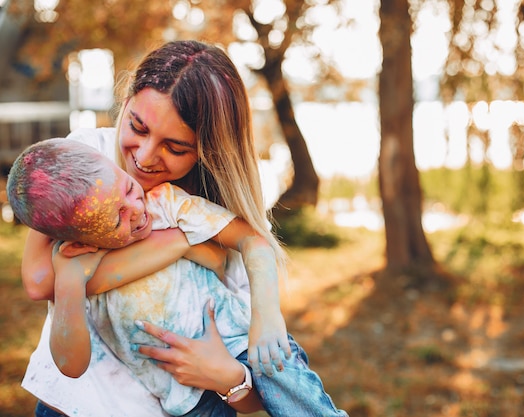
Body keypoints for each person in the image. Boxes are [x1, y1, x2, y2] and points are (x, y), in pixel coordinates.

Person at [17, 40, 346, 417]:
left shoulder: (204, 206)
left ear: (207, 150)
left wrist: (229, 375)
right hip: (77, 407)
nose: (143, 157)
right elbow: (40, 281)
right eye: (137, 126)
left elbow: (256, 393)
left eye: (174, 148)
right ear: (125, 103)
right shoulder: (85, 162)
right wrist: (180, 243)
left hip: (191, 406)